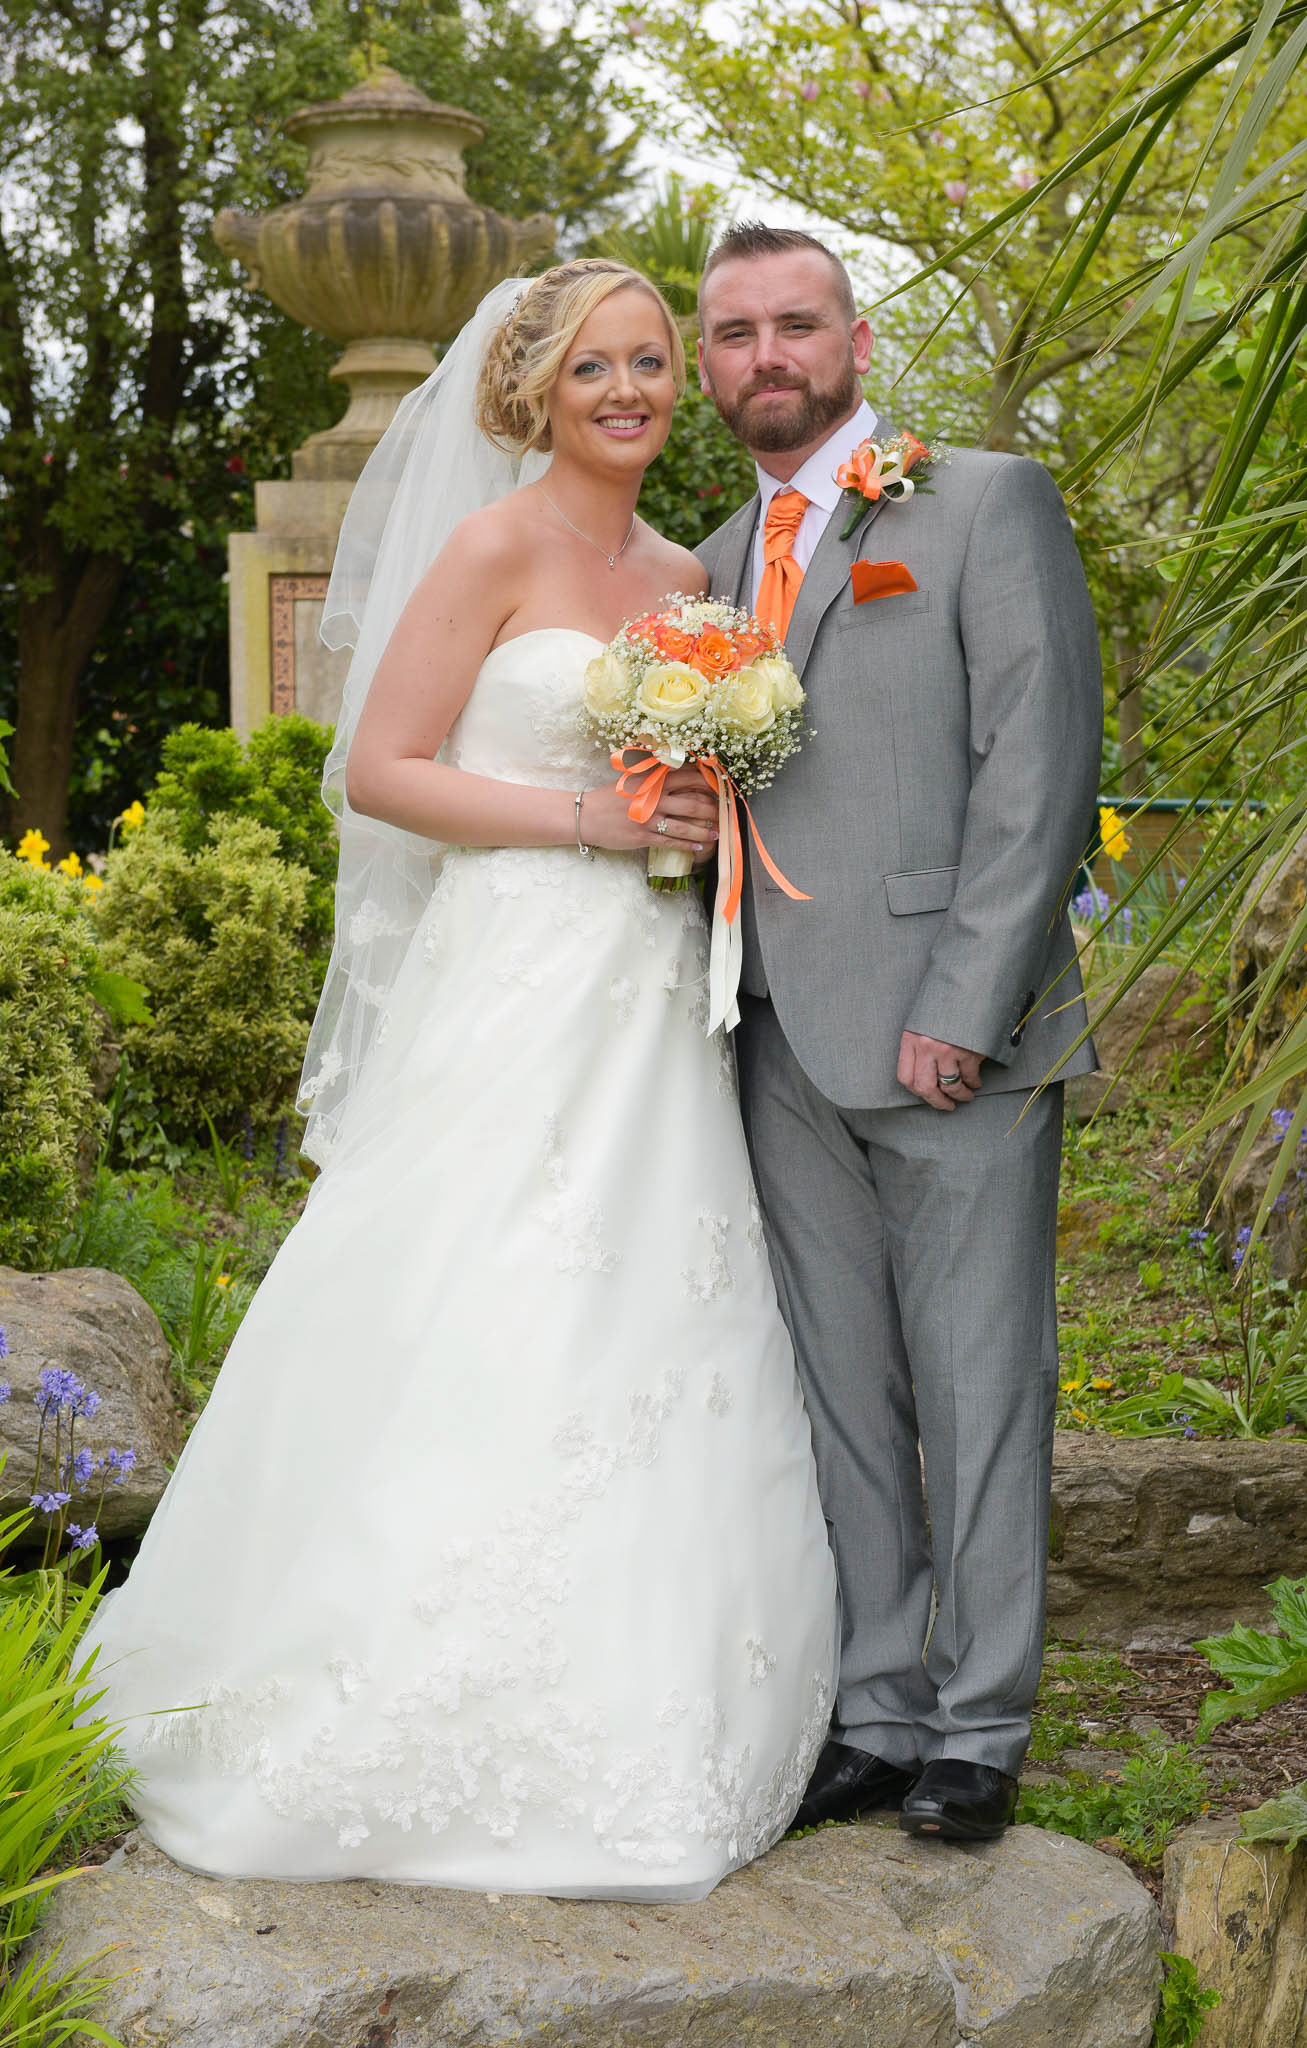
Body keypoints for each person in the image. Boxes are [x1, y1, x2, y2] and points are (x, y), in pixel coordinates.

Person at [79, 258, 838, 1901]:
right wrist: (591, 820)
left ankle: (652, 1699)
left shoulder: (690, 579)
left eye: (650, 362)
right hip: (511, 979)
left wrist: (696, 809)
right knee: (476, 1285)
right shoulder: (492, 546)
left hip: (649, 999)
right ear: (533, 389)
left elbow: (696, 780)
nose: (628, 391)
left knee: (653, 1301)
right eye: (595, 368)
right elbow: (382, 769)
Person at [694, 223, 1102, 1843]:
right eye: (736, 333)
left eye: (797, 324)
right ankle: (878, 1710)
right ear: (711, 363)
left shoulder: (983, 502)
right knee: (841, 1393)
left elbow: (1039, 767)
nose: (768, 357)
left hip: (951, 1036)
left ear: (855, 343)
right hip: (772, 1036)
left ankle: (980, 1730)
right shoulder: (708, 562)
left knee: (980, 1383)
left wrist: (967, 1005)